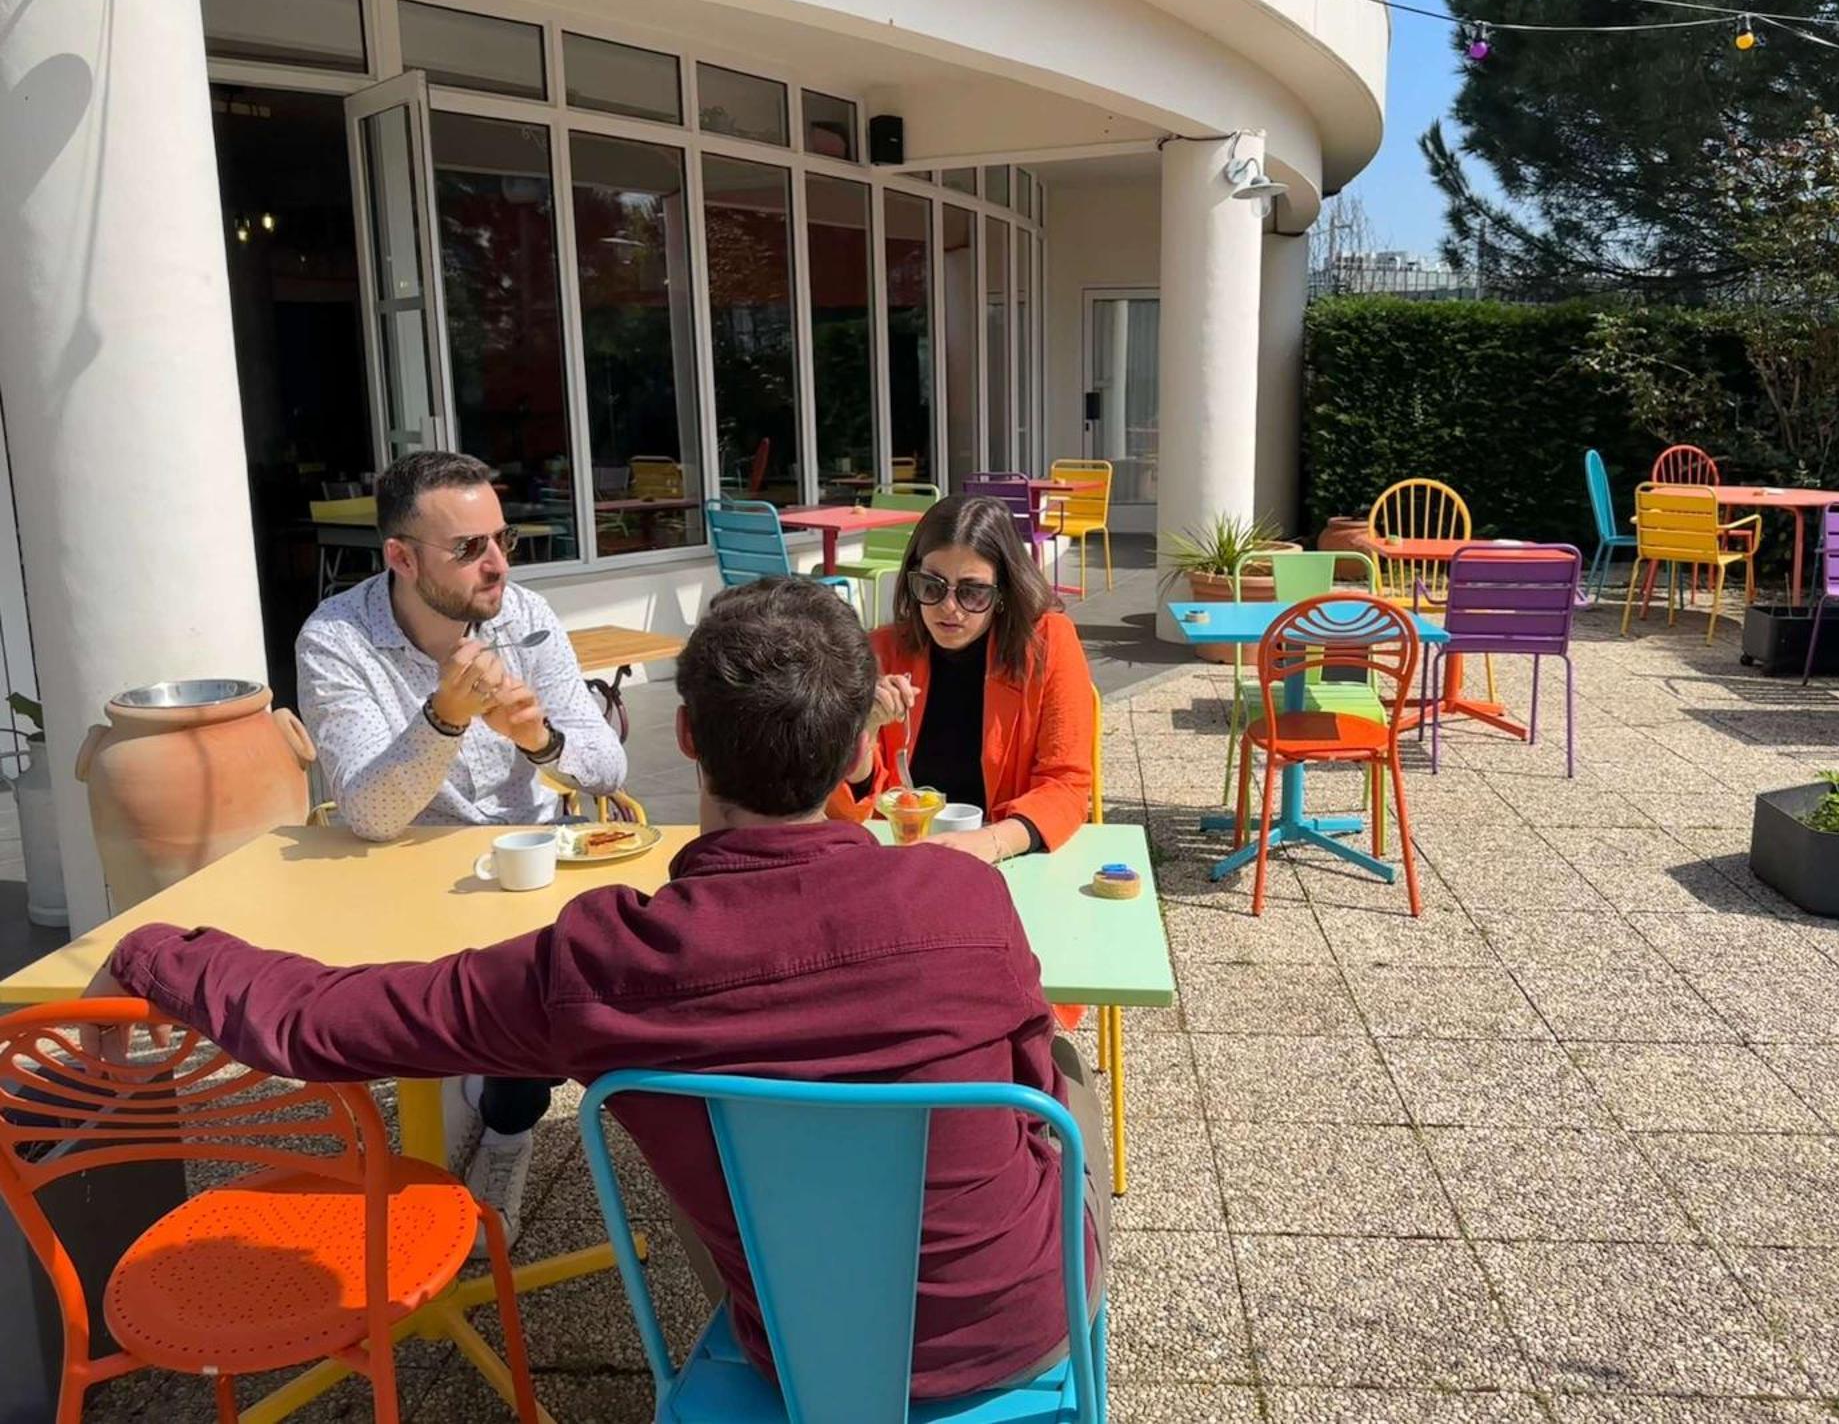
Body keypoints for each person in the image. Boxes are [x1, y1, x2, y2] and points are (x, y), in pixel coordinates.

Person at [91, 578, 1106, 1401]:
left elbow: (330, 1022)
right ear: (856, 750)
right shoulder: (960, 899)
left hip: (790, 1349)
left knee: (721, 1141)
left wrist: (152, 951)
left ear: (687, 743)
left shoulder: (606, 963)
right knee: (1057, 1074)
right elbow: (1027, 1092)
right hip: (1026, 1329)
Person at [295, 449, 627, 1243]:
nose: (497, 565)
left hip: (531, 868)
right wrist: (443, 719)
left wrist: (539, 739)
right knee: (443, 1026)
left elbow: (606, 763)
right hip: (402, 876)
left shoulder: (527, 618)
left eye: (502, 539)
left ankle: (508, 1129)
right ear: (402, 559)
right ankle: (466, 1093)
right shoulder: (337, 639)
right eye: (469, 549)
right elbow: (369, 813)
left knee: (574, 986)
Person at [828, 493, 1094, 865]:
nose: (948, 608)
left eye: (972, 591)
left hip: (1008, 855)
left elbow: (1067, 783)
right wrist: (863, 732)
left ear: (1003, 591)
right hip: (899, 861)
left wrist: (992, 842)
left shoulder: (1047, 642)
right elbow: (848, 810)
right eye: (932, 586)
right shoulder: (881, 650)